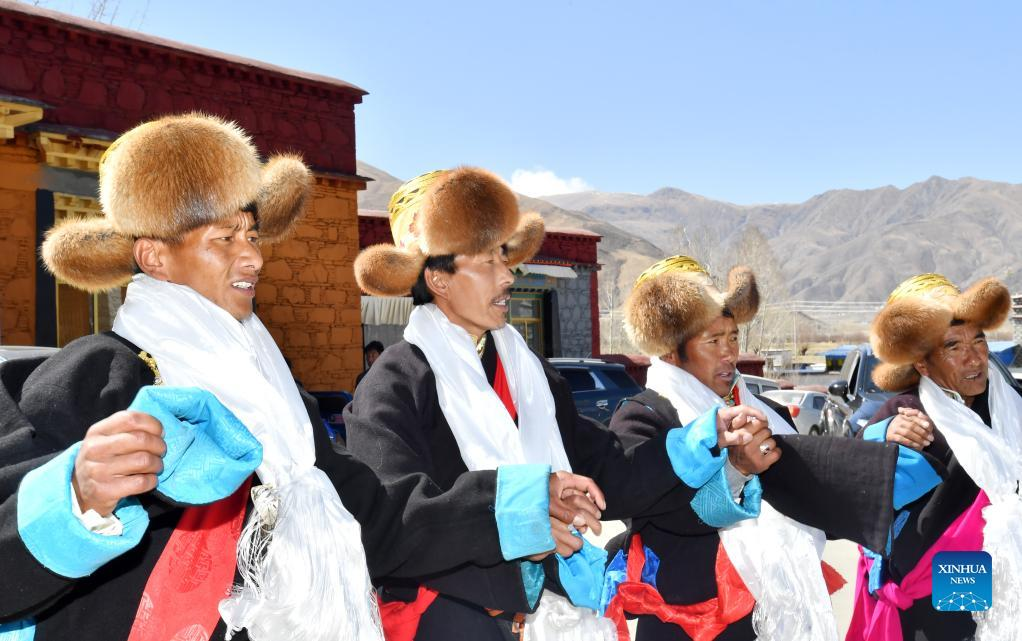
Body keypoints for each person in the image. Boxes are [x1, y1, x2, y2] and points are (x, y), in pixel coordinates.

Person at [0, 115, 602, 641]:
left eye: (252, 235)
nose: (253, 256)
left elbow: (377, 520)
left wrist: (519, 502)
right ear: (156, 257)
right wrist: (78, 493)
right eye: (224, 239)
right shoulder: (102, 375)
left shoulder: (278, 399)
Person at [346, 169, 774, 641]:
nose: (508, 276)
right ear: (438, 279)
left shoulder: (530, 374)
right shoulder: (393, 385)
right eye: (487, 261)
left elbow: (609, 470)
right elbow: (391, 521)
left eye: (505, 258)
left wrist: (702, 441)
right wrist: (522, 504)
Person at [603, 256, 905, 641]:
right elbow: (654, 514)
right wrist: (736, 471)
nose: (729, 353)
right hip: (687, 625)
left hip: (774, 615)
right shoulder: (644, 417)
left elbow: (807, 494)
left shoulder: (767, 412)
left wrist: (871, 454)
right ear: (669, 351)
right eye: (713, 341)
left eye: (733, 337)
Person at [847, 273, 1022, 641]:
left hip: (1006, 569)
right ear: (923, 365)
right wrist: (881, 437)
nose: (974, 357)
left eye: (979, 340)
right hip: (948, 575)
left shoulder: (1010, 407)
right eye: (953, 346)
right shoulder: (906, 413)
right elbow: (850, 482)